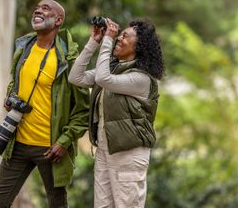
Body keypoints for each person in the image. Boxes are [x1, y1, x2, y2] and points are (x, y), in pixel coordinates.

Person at [0, 0, 89, 208]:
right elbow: (15, 83)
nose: (38, 10)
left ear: (58, 20)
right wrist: (10, 97)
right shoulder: (23, 47)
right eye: (37, 7)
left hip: (50, 148)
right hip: (17, 143)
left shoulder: (68, 59)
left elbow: (83, 110)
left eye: (46, 8)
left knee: (57, 205)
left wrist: (64, 141)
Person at [68, 17, 165, 208]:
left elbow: (103, 79)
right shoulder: (114, 69)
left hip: (129, 153)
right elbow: (75, 77)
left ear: (140, 47)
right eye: (119, 35)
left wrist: (107, 40)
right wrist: (94, 41)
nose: (119, 38)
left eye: (125, 36)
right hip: (105, 148)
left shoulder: (142, 79)